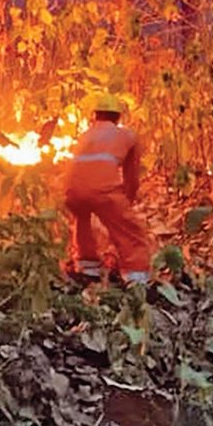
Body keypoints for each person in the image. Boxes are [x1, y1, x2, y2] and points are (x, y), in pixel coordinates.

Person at [64, 93, 150, 285]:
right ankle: (136, 277)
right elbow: (131, 177)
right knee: (129, 230)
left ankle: (87, 267)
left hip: (71, 190)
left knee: (82, 223)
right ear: (118, 117)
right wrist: (126, 201)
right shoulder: (127, 135)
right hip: (103, 190)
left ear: (94, 115)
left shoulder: (84, 135)